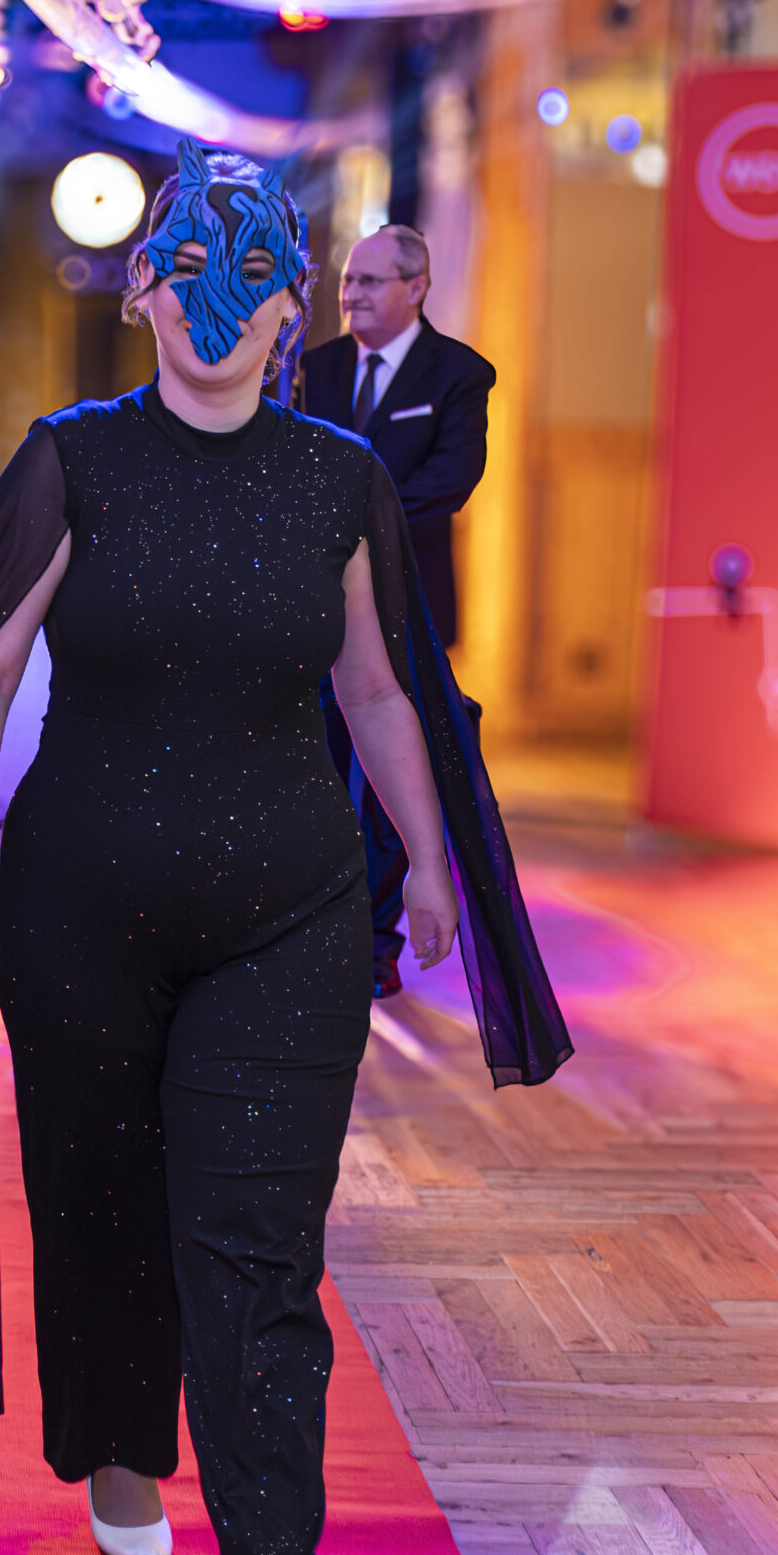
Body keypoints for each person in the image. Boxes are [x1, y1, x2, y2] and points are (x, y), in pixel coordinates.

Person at [0, 143, 568, 1555]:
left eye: (249, 272)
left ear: (295, 300)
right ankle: (123, 1447)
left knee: (256, 1239)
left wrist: (430, 859)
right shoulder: (71, 460)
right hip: (76, 918)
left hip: (287, 918)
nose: (213, 299)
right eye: (184, 267)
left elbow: (379, 691)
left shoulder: (342, 481)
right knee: (103, 1210)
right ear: (138, 290)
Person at [296, 225, 496, 995]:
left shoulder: (459, 375)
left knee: (392, 777)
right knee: (317, 764)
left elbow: (452, 480)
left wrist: (355, 526)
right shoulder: (312, 368)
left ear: (416, 287)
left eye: (370, 282)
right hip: (316, 603)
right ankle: (312, 926)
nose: (350, 295)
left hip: (407, 603)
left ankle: (375, 945)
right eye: (346, 281)